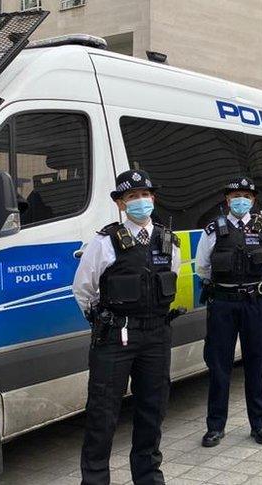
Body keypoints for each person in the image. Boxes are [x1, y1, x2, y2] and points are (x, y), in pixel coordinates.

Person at [74, 170, 181, 485]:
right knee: (102, 414)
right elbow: (83, 289)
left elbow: (171, 277)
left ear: (153, 198)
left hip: (157, 336)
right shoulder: (105, 241)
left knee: (153, 409)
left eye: (145, 195)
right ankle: (94, 480)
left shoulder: (168, 240)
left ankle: (148, 476)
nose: (140, 201)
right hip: (115, 337)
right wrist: (103, 321)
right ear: (121, 204)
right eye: (132, 197)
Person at [196, 177, 262, 448]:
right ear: (227, 200)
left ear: (253, 200)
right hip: (223, 303)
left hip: (255, 303)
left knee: (257, 363)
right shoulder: (212, 230)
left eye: (245, 195)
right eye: (235, 196)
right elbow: (203, 268)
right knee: (219, 365)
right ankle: (215, 427)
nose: (240, 200)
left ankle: (260, 424)